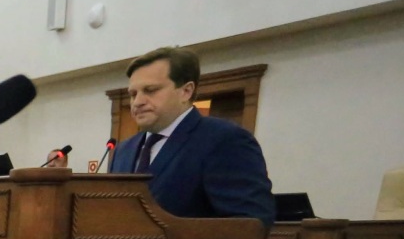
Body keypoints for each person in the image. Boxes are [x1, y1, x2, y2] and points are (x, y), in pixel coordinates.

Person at [98, 47, 274, 226]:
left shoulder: (225, 140)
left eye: (150, 90)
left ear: (186, 91)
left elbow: (251, 224)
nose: (137, 102)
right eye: (133, 94)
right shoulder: (123, 150)